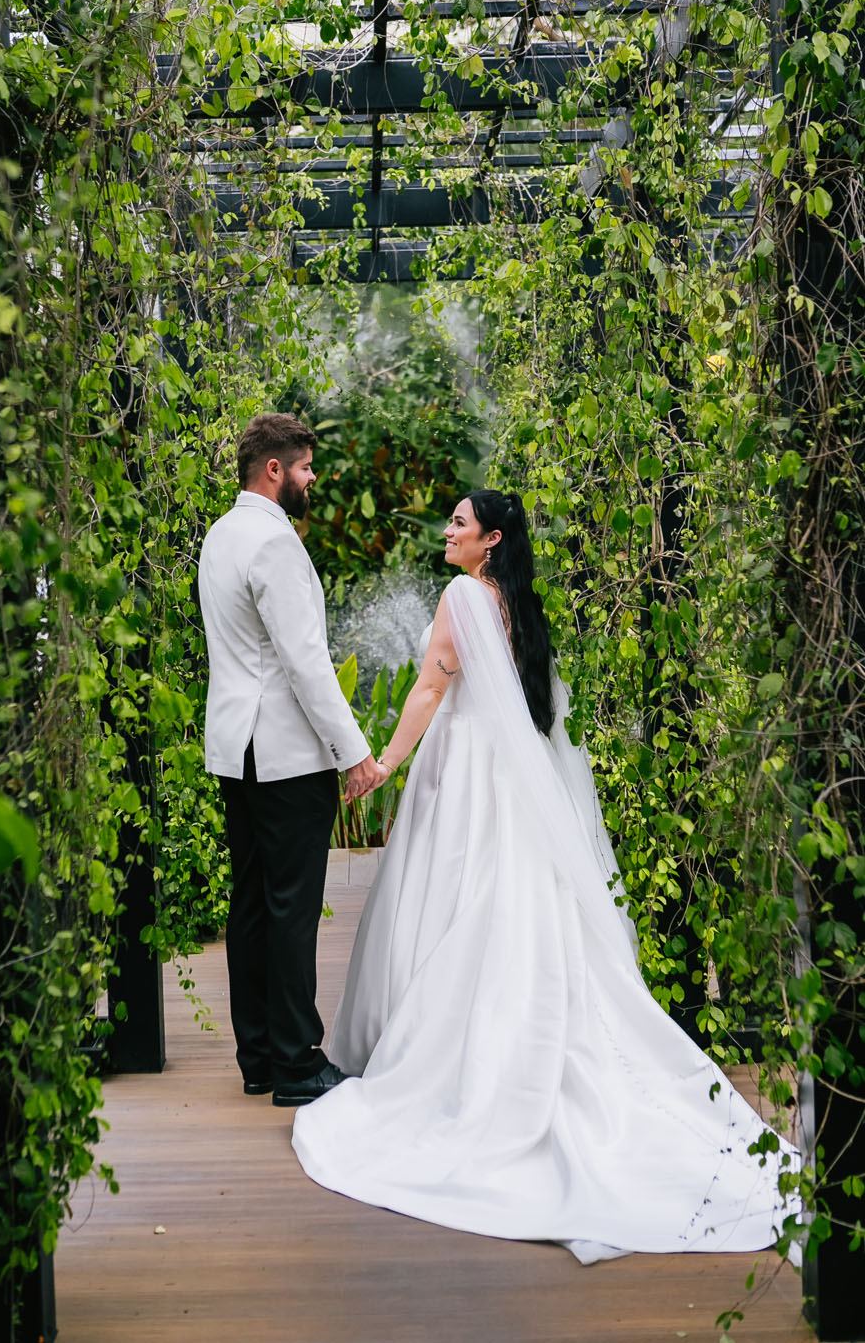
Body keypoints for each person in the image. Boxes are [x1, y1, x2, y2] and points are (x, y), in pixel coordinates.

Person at [291, 489, 799, 1262]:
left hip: (462, 775)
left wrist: (382, 767)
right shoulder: (515, 604)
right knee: (509, 899)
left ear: (489, 540)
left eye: (460, 524)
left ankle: (450, 1050)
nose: (448, 532)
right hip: (512, 780)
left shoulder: (462, 594)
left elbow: (430, 687)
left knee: (452, 897)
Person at [198, 413, 381, 1108]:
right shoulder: (273, 544)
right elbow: (305, 662)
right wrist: (354, 753)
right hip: (283, 755)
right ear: (273, 469)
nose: (312, 479)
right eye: (305, 467)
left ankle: (260, 1058)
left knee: (251, 905)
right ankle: (299, 1063)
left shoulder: (221, 535)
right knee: (292, 909)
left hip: (235, 752)